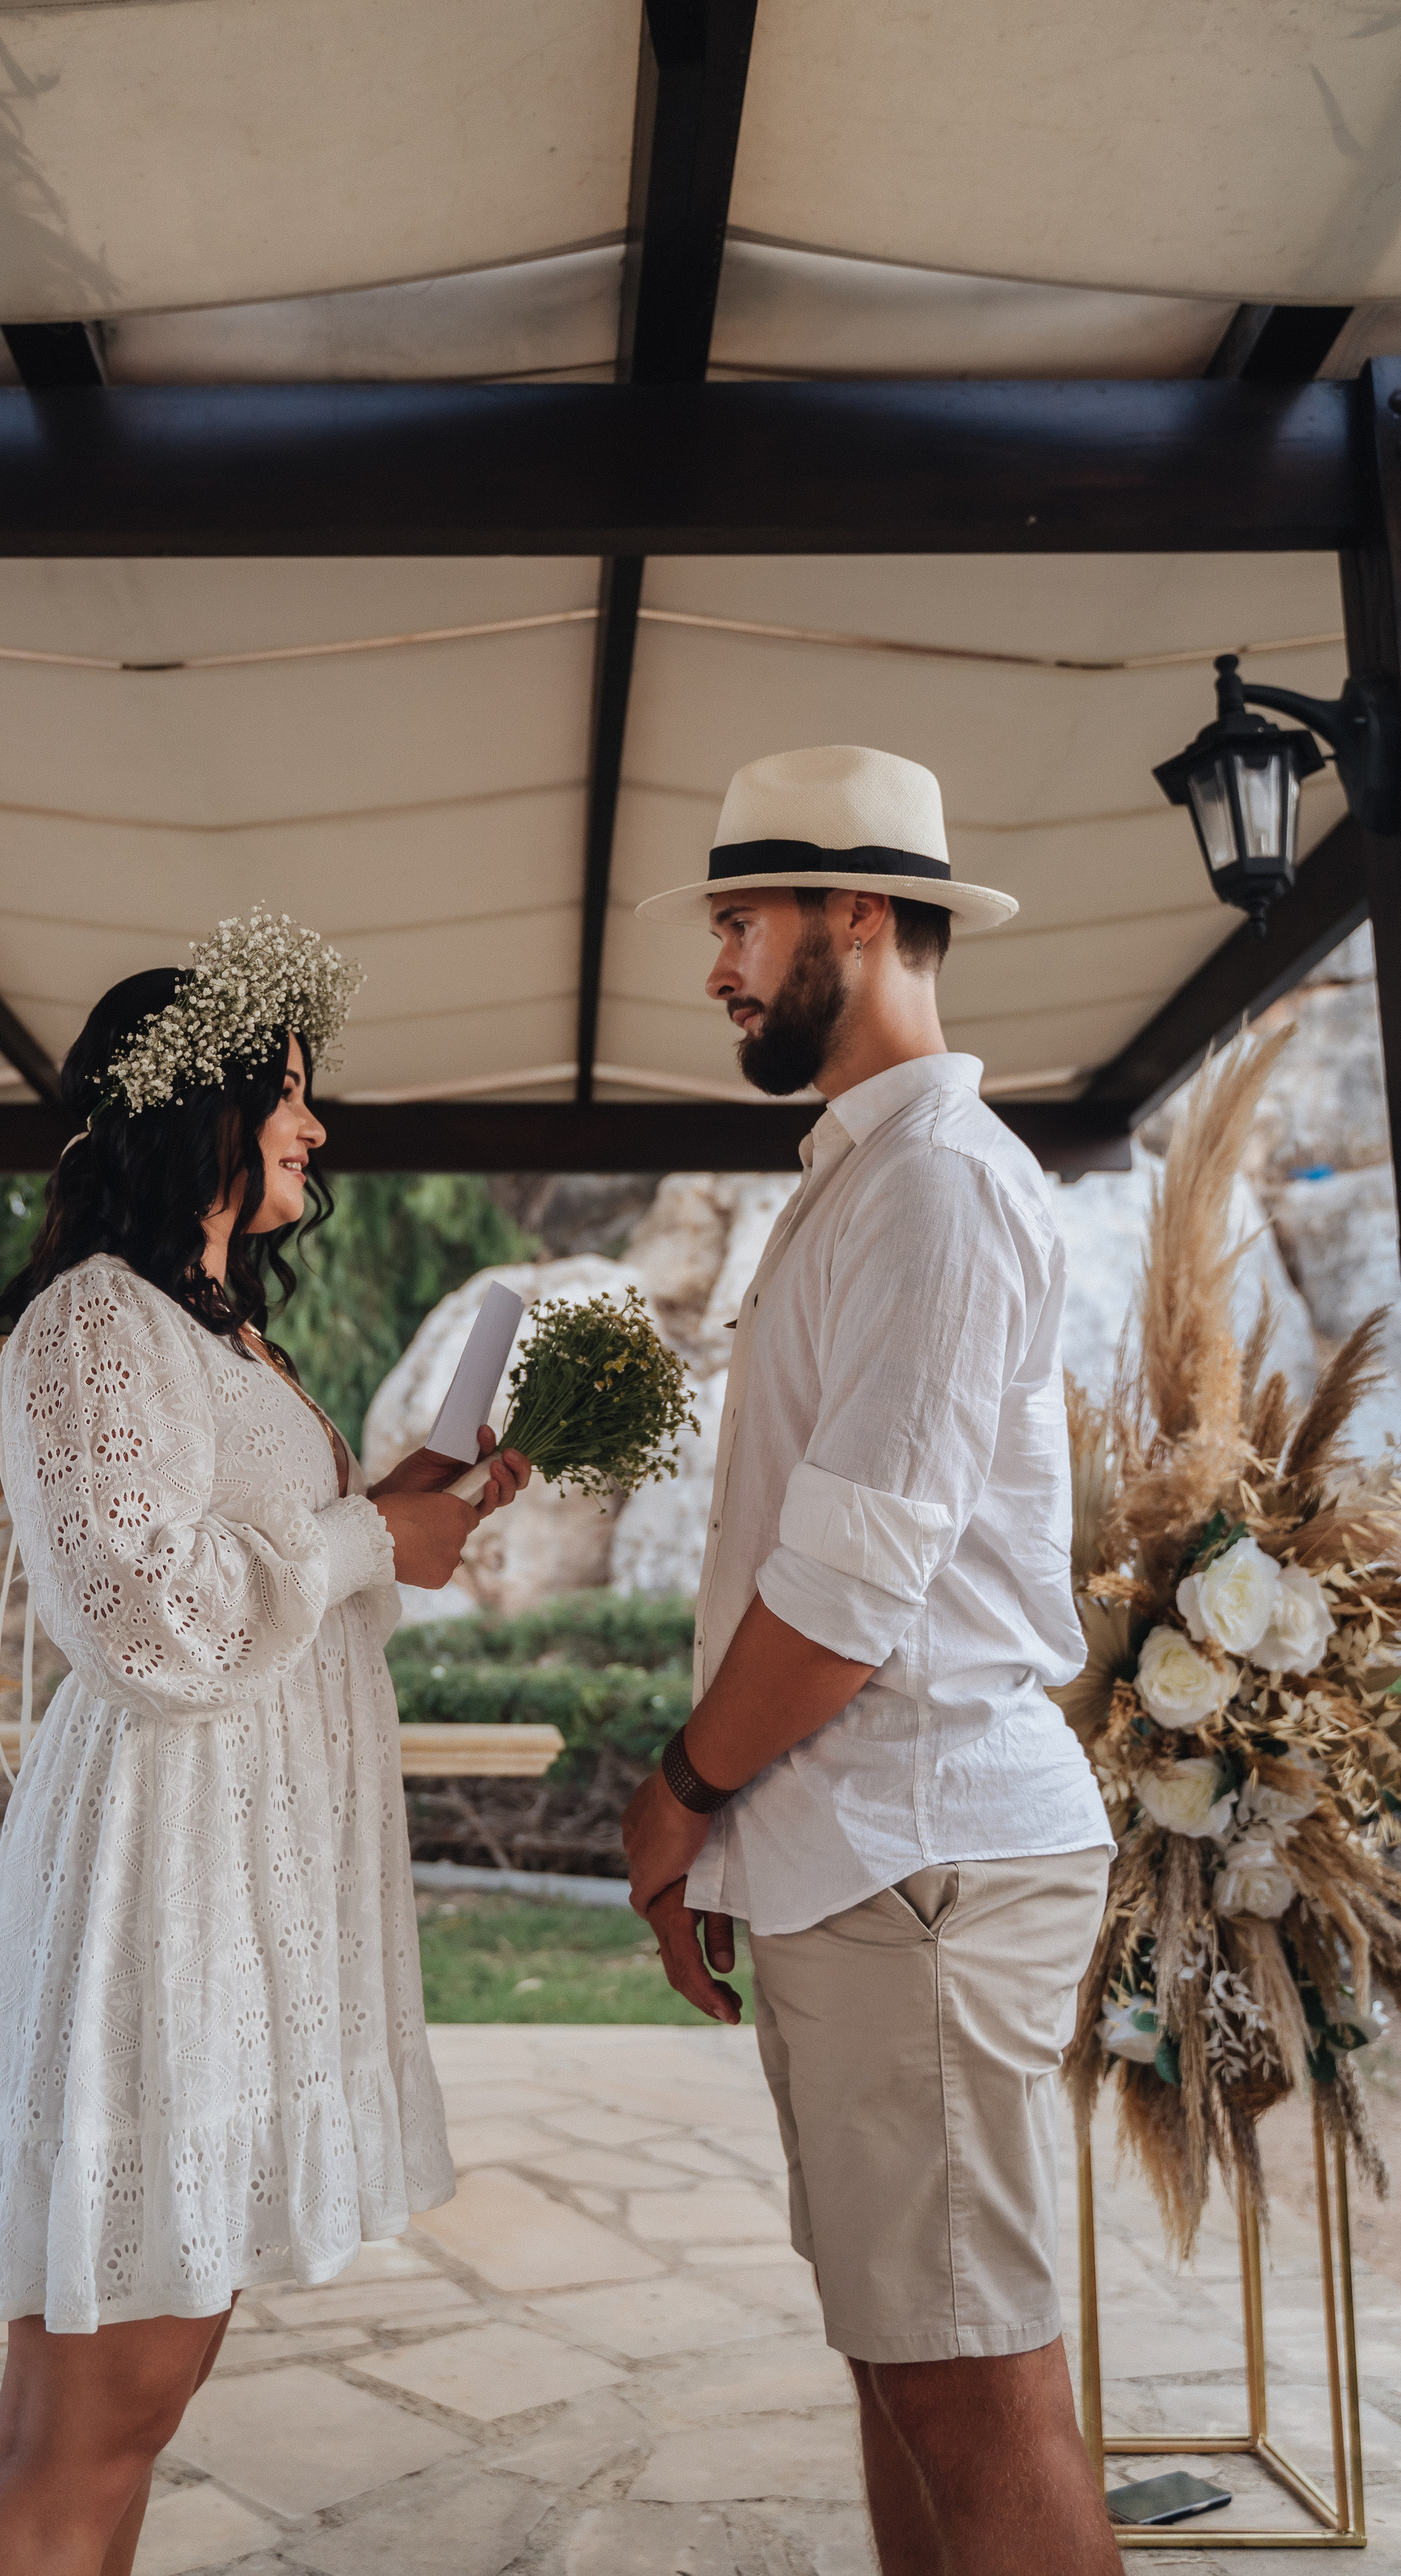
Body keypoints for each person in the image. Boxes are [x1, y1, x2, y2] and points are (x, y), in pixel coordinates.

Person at [0, 920, 527, 2576]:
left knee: (122, 2417)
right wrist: (359, 1535)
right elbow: (146, 1615)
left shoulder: (216, 1338)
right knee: (89, 2425)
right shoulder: (92, 1327)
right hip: (156, 1892)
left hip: (235, 1902)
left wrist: (416, 1509)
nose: (314, 1133)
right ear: (190, 1105)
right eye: (286, 1095)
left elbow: (295, 1589)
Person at [621, 749, 1119, 2576]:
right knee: (910, 2377)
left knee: (977, 2414)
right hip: (876, 1856)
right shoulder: (866, 1182)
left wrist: (678, 1801)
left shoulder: (937, 1192)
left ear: (856, 913)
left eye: (742, 922)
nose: (720, 969)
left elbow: (848, 1594)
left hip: (924, 1857)